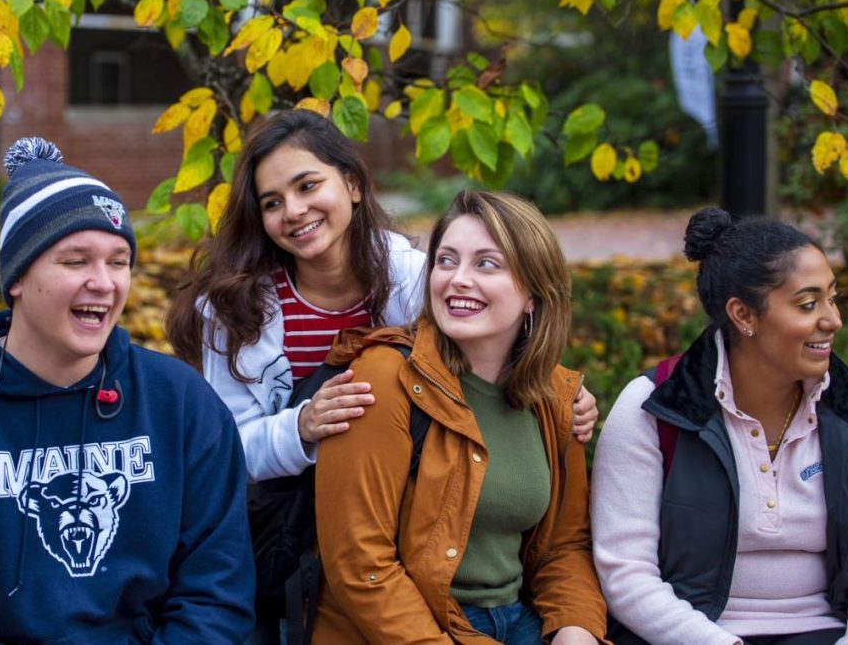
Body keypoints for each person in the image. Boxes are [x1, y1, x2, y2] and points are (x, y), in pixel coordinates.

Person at [0, 138, 255, 644]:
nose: (104, 283)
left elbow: (215, 590)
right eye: (75, 261)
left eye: (118, 261)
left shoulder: (180, 404)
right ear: (18, 277)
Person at [167, 109, 599, 486]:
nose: (294, 211)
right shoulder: (235, 309)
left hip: (402, 503)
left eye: (308, 186)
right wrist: (301, 425)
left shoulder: (413, 278)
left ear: (352, 185)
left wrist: (560, 393)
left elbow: (486, 352)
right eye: (272, 203)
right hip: (281, 526)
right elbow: (225, 448)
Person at [312, 189, 609, 644]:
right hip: (410, 628)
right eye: (446, 260)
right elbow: (360, 565)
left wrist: (577, 631)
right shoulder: (384, 378)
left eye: (486, 264)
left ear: (534, 292)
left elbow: (564, 547)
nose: (457, 280)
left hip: (518, 621)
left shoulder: (554, 397)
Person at [591, 208, 848, 645]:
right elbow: (626, 574)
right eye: (808, 304)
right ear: (743, 315)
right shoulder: (654, 407)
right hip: (693, 634)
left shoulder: (844, 407)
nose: (833, 320)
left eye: (832, 297)